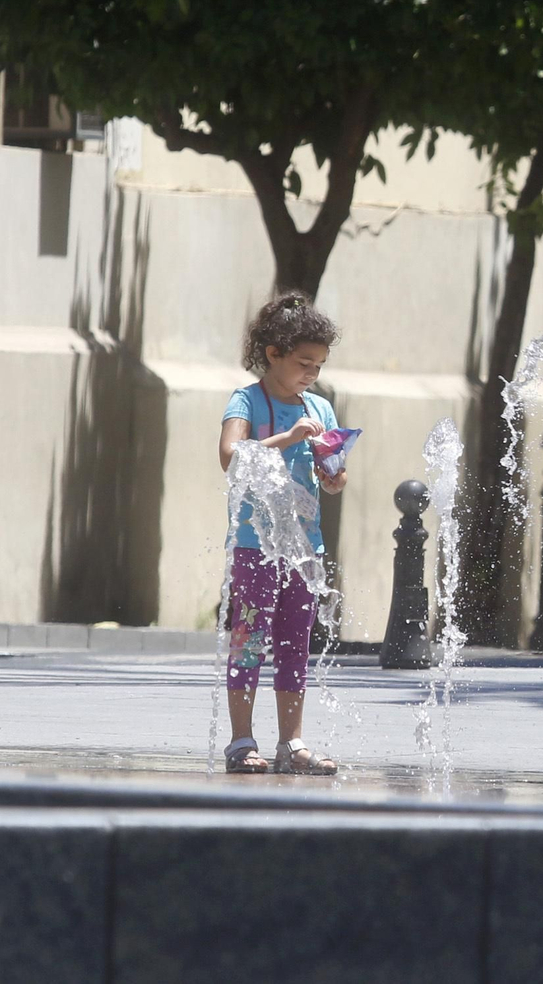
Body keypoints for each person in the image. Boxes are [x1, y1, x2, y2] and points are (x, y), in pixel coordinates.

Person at [216, 292, 346, 775]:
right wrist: (286, 440)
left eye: (319, 365)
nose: (312, 373)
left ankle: (292, 744)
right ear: (273, 354)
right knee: (249, 640)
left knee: (296, 644)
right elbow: (231, 457)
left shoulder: (321, 409)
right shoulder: (247, 399)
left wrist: (333, 474)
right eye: (304, 362)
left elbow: (336, 473)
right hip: (255, 545)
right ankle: (240, 741)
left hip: (304, 548)